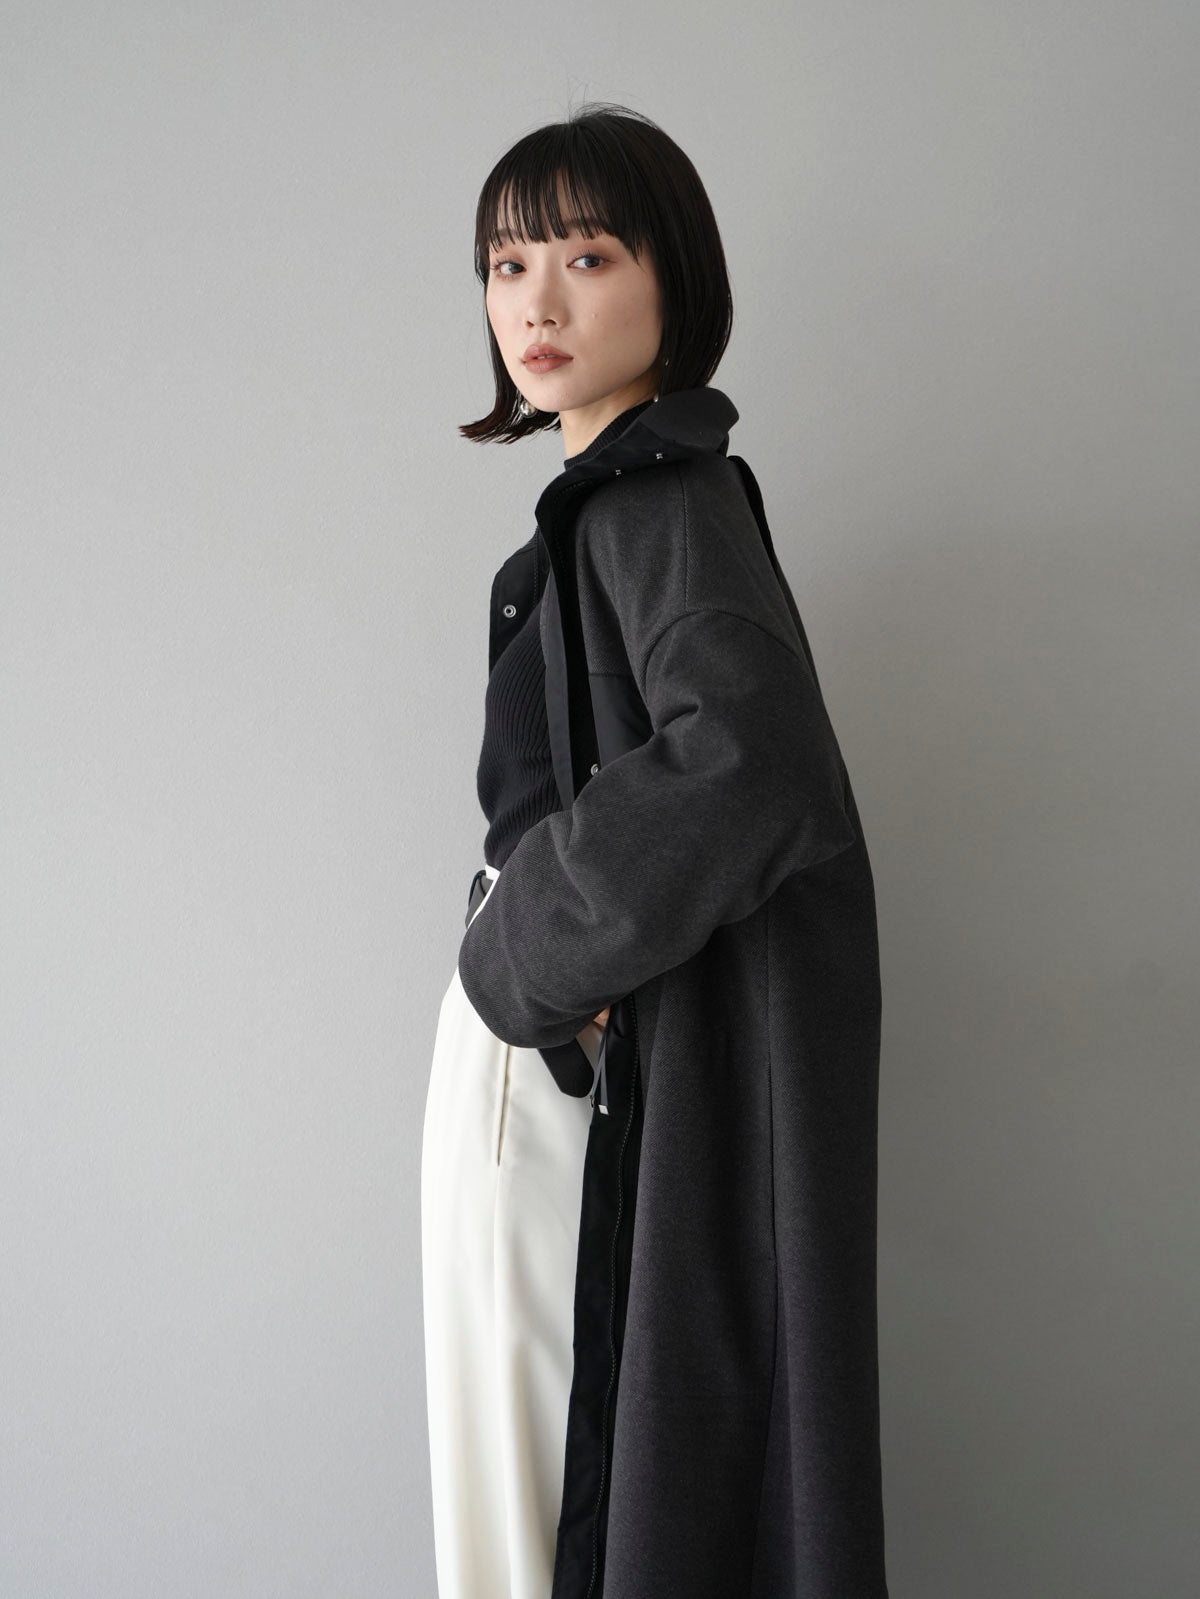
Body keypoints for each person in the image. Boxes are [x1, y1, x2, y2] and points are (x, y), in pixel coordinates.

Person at [422, 103, 889, 1599]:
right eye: (507, 266)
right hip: (544, 1038)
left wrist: (519, 955)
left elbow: (753, 762)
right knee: (548, 1493)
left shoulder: (661, 500)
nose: (537, 304)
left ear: (671, 278)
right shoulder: (604, 511)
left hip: (540, 1037)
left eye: (587, 256)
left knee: (541, 1507)